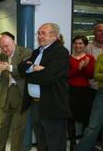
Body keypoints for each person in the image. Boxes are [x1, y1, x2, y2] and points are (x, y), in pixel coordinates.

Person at [19, 23, 70, 151]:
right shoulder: (37, 52)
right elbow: (21, 68)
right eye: (39, 33)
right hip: (35, 104)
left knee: (55, 143)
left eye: (43, 33)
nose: (39, 36)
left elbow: (47, 77)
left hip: (52, 105)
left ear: (55, 36)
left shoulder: (61, 52)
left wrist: (29, 71)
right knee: (41, 141)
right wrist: (34, 68)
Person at [0, 32, 32, 151]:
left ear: (14, 42)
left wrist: (8, 67)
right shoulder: (2, 55)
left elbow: (23, 71)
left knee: (18, 132)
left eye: (7, 46)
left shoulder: (26, 52)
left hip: (20, 97)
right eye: (2, 47)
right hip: (4, 96)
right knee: (1, 129)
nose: (5, 49)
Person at [75, 23, 103, 151]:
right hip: (93, 89)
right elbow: (94, 74)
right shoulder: (89, 48)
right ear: (94, 32)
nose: (102, 33)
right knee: (92, 123)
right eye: (99, 31)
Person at [68, 35, 95, 151]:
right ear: (73, 44)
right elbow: (66, 75)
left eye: (81, 43)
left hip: (84, 91)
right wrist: (79, 68)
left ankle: (84, 143)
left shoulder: (89, 58)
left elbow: (91, 76)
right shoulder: (68, 58)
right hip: (70, 90)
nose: (78, 45)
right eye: (76, 43)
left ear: (85, 45)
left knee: (86, 117)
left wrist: (85, 66)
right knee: (70, 117)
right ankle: (73, 142)